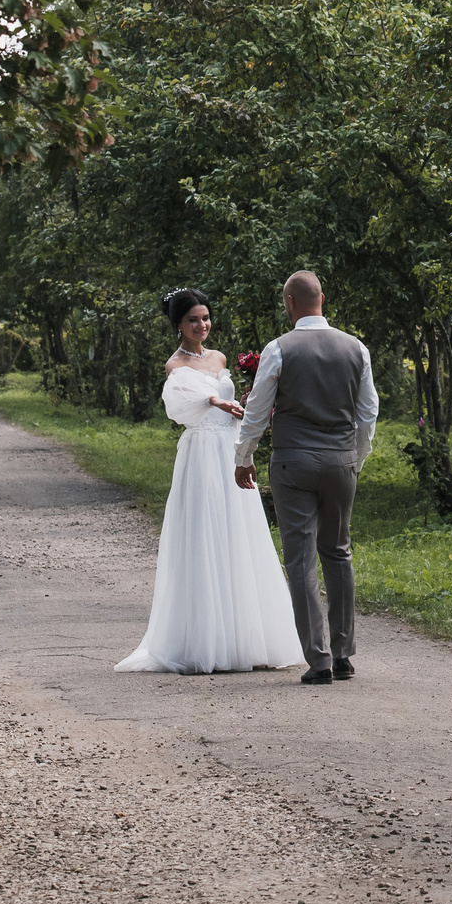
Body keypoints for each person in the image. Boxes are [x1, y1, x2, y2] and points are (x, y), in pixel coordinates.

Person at [115, 289, 304, 675]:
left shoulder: (218, 358)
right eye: (193, 320)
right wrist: (215, 401)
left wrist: (246, 418)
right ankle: (205, 640)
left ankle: (246, 638)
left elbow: (232, 403)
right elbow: (180, 404)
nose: (201, 325)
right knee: (206, 533)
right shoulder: (175, 365)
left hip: (228, 446)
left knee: (238, 535)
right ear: (178, 324)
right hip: (201, 453)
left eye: (205, 318)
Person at [236, 271, 377, 685]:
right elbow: (368, 413)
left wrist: (244, 456)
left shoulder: (279, 349)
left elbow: (257, 410)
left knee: (300, 559)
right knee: (338, 552)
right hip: (340, 464)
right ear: (322, 298)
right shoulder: (356, 348)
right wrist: (355, 458)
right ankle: (344, 654)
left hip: (293, 464)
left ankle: (318, 661)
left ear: (290, 303)